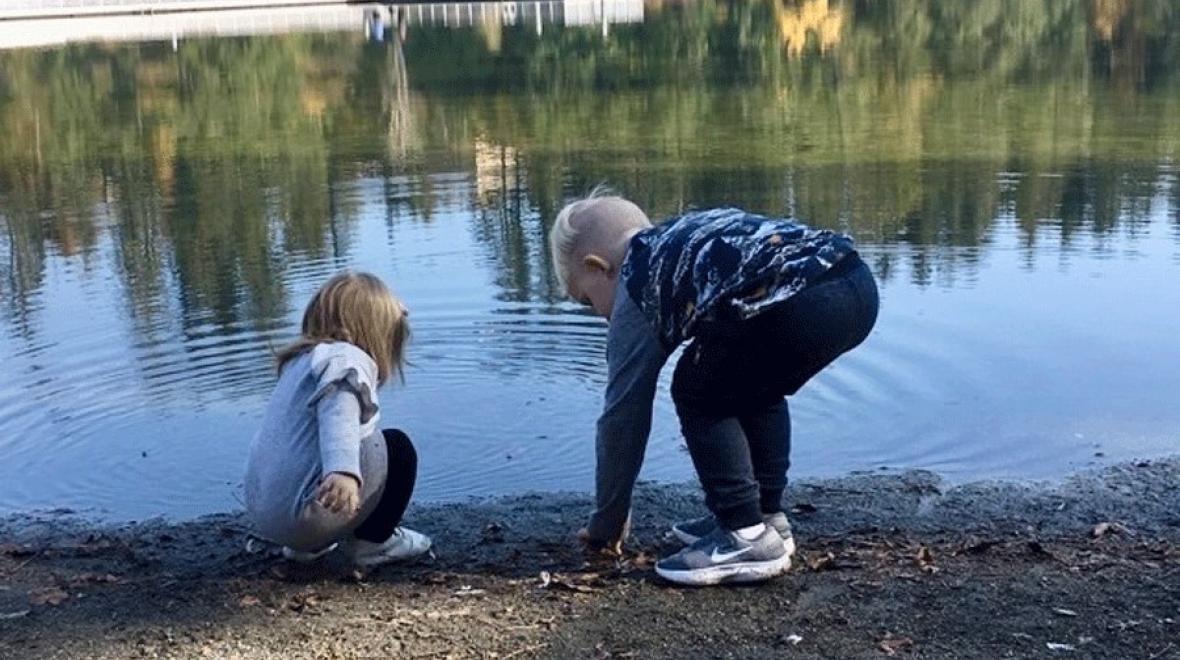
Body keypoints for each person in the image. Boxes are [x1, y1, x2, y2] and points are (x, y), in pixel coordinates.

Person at [549, 190, 878, 586]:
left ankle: (745, 535)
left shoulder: (637, 281)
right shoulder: (681, 236)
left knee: (697, 389)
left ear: (599, 267)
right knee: (747, 381)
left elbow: (623, 415)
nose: (601, 315)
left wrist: (607, 522)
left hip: (800, 301)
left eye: (587, 300)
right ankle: (765, 516)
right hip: (854, 283)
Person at [244, 272, 431, 567]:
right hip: (306, 517)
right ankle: (373, 544)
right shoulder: (347, 360)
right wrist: (343, 471)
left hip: (268, 517)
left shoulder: (302, 362)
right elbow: (339, 414)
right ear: (374, 330)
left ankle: (306, 547)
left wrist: (389, 308)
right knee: (397, 448)